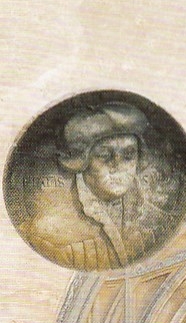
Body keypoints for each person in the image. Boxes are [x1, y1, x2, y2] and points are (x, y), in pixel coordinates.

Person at [20, 102, 175, 270]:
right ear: (82, 162)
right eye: (104, 155)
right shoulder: (50, 233)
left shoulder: (158, 222)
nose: (118, 165)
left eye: (128, 155)